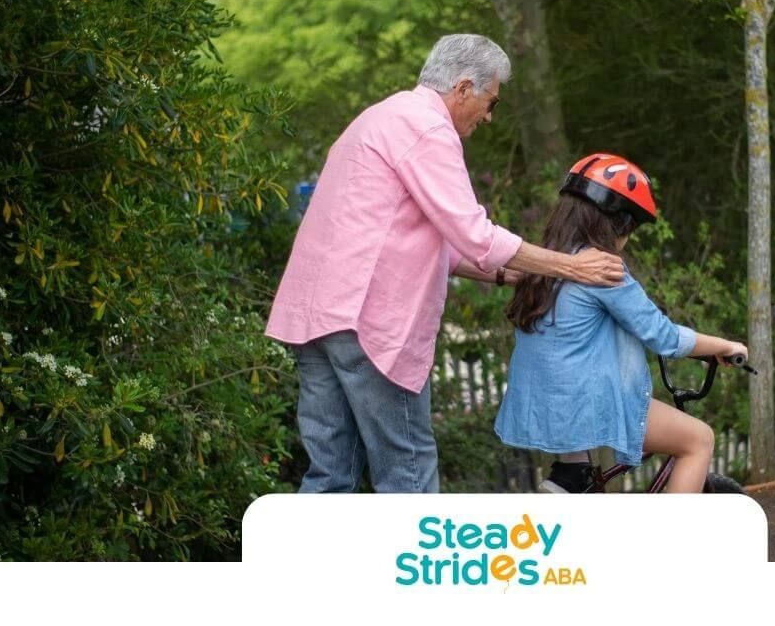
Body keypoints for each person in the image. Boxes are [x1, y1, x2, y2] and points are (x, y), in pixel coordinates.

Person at [265, 34, 626, 493]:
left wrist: (502, 271)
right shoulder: (428, 129)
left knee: (330, 476)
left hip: (317, 318)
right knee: (408, 475)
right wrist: (576, 268)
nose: (489, 116)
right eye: (490, 101)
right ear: (462, 88)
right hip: (366, 324)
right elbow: (475, 232)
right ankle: (415, 569)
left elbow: (423, 238)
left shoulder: (378, 118)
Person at [495, 153, 749, 494]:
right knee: (698, 439)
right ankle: (669, 545)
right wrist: (723, 346)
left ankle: (571, 479)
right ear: (619, 223)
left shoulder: (548, 263)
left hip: (545, 405)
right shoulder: (602, 268)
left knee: (608, 457)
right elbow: (664, 337)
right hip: (584, 406)